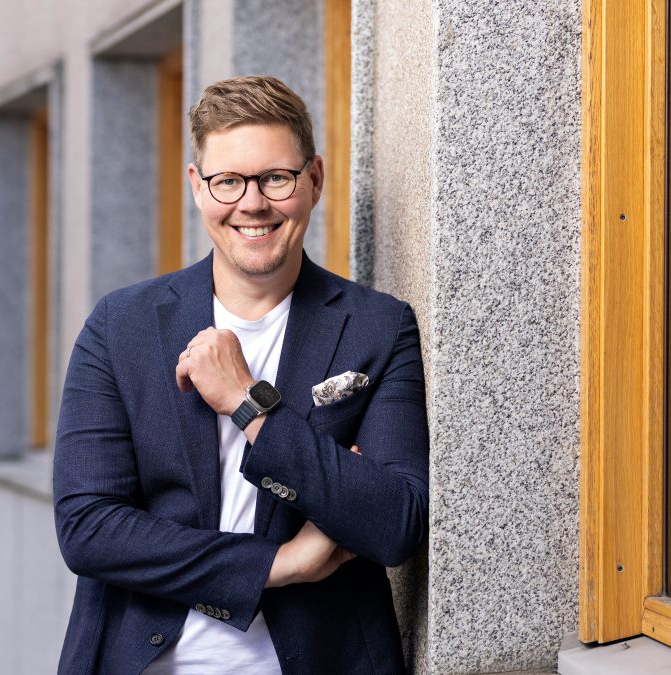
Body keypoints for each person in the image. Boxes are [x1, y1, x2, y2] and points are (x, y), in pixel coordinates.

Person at [53, 75, 428, 674]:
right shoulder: (119, 326)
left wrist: (249, 405)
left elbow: (395, 522)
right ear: (197, 186)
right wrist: (280, 565)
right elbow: (88, 528)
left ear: (315, 180)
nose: (252, 204)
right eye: (228, 180)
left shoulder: (378, 328)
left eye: (276, 178)